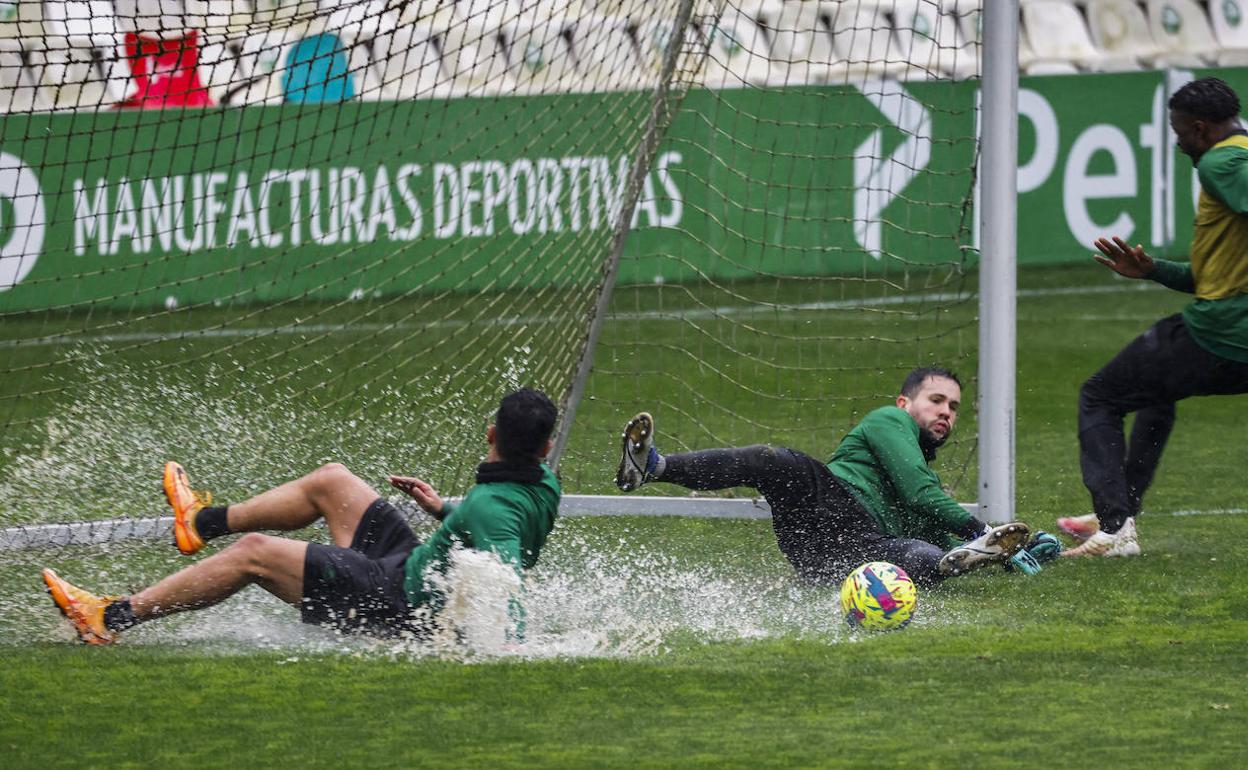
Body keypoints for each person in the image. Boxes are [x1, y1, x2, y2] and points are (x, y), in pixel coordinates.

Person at [42, 387, 562, 645]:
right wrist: (444, 510)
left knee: (253, 556)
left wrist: (510, 649)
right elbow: (496, 524)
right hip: (408, 564)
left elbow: (503, 576)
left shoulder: (493, 509)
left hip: (398, 602)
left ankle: (108, 618)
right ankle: (202, 522)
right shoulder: (543, 482)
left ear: (491, 435)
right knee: (332, 481)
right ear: (546, 448)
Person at [615, 366, 1052, 587]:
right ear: (904, 403)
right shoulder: (888, 421)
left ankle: (948, 565)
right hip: (830, 500)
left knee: (919, 553)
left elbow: (932, 514)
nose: (946, 413)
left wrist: (1017, 552)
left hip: (828, 555)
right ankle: (654, 467)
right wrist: (982, 528)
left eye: (954, 408)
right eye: (937, 401)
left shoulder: (922, 463)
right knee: (775, 462)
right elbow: (920, 493)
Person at [1064, 77, 1248, 558]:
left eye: (1179, 129)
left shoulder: (1221, 160)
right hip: (1233, 331)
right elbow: (1218, 275)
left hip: (1225, 335)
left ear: (1200, 128)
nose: (1177, 139)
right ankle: (1120, 507)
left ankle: (1114, 527)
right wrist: (1153, 271)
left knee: (1100, 395)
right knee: (1155, 391)